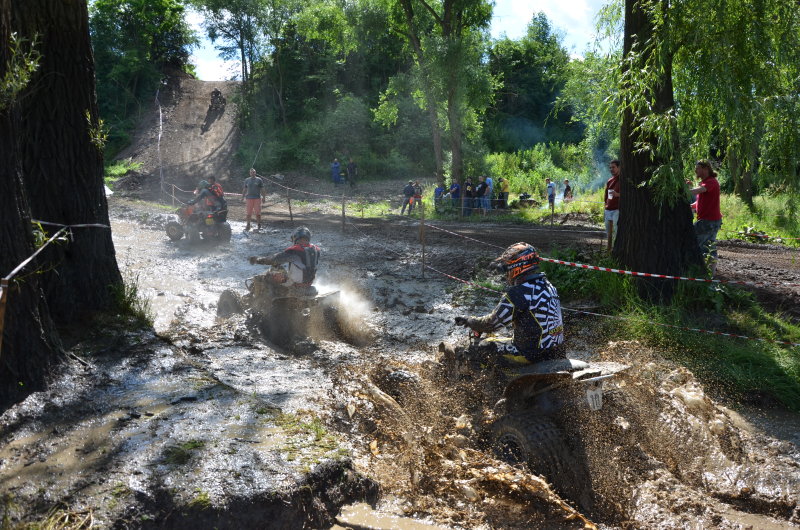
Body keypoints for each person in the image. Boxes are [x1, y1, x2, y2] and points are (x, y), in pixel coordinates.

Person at [454, 242, 565, 363]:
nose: (507, 272)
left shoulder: (519, 293)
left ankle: (488, 382)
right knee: (499, 339)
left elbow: (491, 324)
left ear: (517, 267)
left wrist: (470, 320)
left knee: (483, 346)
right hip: (556, 352)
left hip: (530, 355)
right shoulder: (549, 286)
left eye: (507, 267)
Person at [248, 226, 321, 296]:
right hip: (309, 284)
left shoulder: (295, 250)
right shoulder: (316, 249)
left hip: (295, 285)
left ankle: (265, 302)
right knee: (282, 271)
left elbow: (274, 260)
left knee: (269, 276)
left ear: (296, 238)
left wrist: (258, 260)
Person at [687, 160, 722, 274]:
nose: (695, 170)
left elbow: (699, 191)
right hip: (710, 221)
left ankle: (701, 272)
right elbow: (698, 204)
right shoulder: (705, 183)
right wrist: (689, 207)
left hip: (708, 221)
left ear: (705, 169)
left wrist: (684, 190)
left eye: (698, 168)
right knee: (709, 247)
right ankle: (710, 273)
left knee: (695, 243)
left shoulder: (711, 182)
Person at [604, 160, 621, 252]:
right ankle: (608, 250)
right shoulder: (610, 181)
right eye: (610, 167)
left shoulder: (622, 180)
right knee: (608, 232)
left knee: (615, 231)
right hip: (608, 209)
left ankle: (615, 250)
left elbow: (629, 195)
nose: (611, 169)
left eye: (613, 167)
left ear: (619, 167)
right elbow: (606, 195)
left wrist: (617, 194)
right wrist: (605, 205)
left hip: (617, 209)